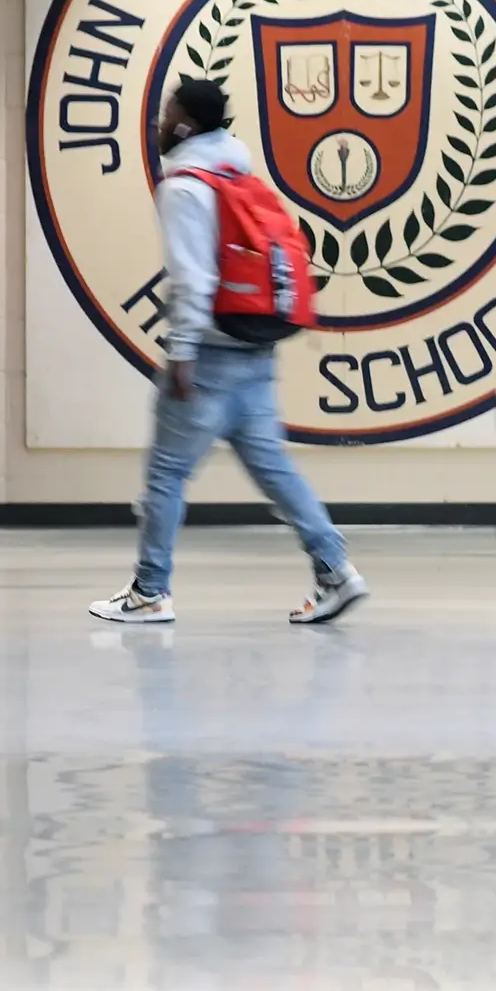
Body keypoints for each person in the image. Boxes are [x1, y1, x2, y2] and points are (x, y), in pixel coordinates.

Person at [89, 76, 372, 627]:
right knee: (275, 471)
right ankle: (336, 569)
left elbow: (194, 280)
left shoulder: (185, 187)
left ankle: (150, 591)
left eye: (166, 112)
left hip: (211, 357)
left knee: (167, 474)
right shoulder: (238, 174)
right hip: (256, 351)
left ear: (186, 124)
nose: (158, 121)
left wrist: (183, 354)